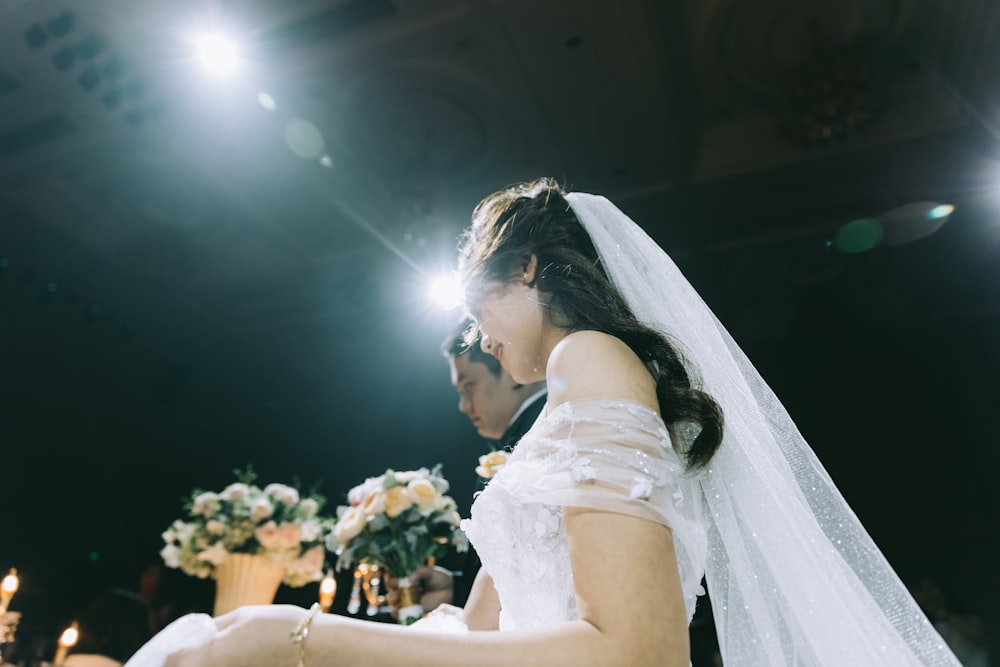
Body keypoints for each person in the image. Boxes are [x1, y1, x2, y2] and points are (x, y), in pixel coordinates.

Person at [130, 178, 960, 667]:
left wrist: (308, 635)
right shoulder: (569, 400)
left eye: (479, 304)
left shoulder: (588, 358)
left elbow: (635, 654)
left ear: (525, 268)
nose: (479, 335)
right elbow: (496, 625)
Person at [405, 319, 547, 613]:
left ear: (508, 367)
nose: (463, 405)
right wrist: (456, 589)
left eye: (469, 386)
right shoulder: (522, 435)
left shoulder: (539, 438)